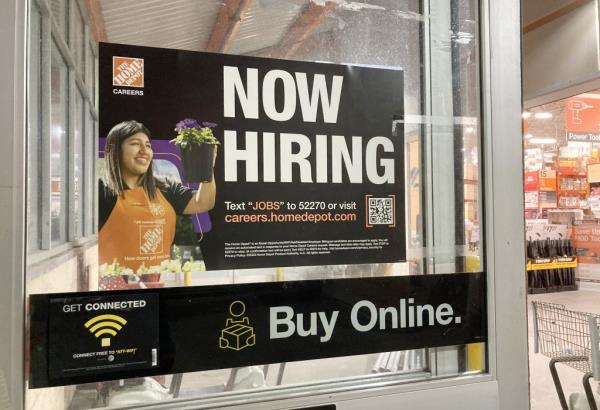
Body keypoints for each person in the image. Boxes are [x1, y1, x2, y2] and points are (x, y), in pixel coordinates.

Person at [99, 120, 216, 271]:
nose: (144, 150)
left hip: (160, 283)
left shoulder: (166, 188)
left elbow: (203, 203)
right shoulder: (100, 192)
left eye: (148, 145)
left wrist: (207, 166)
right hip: (116, 287)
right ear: (113, 150)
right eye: (135, 144)